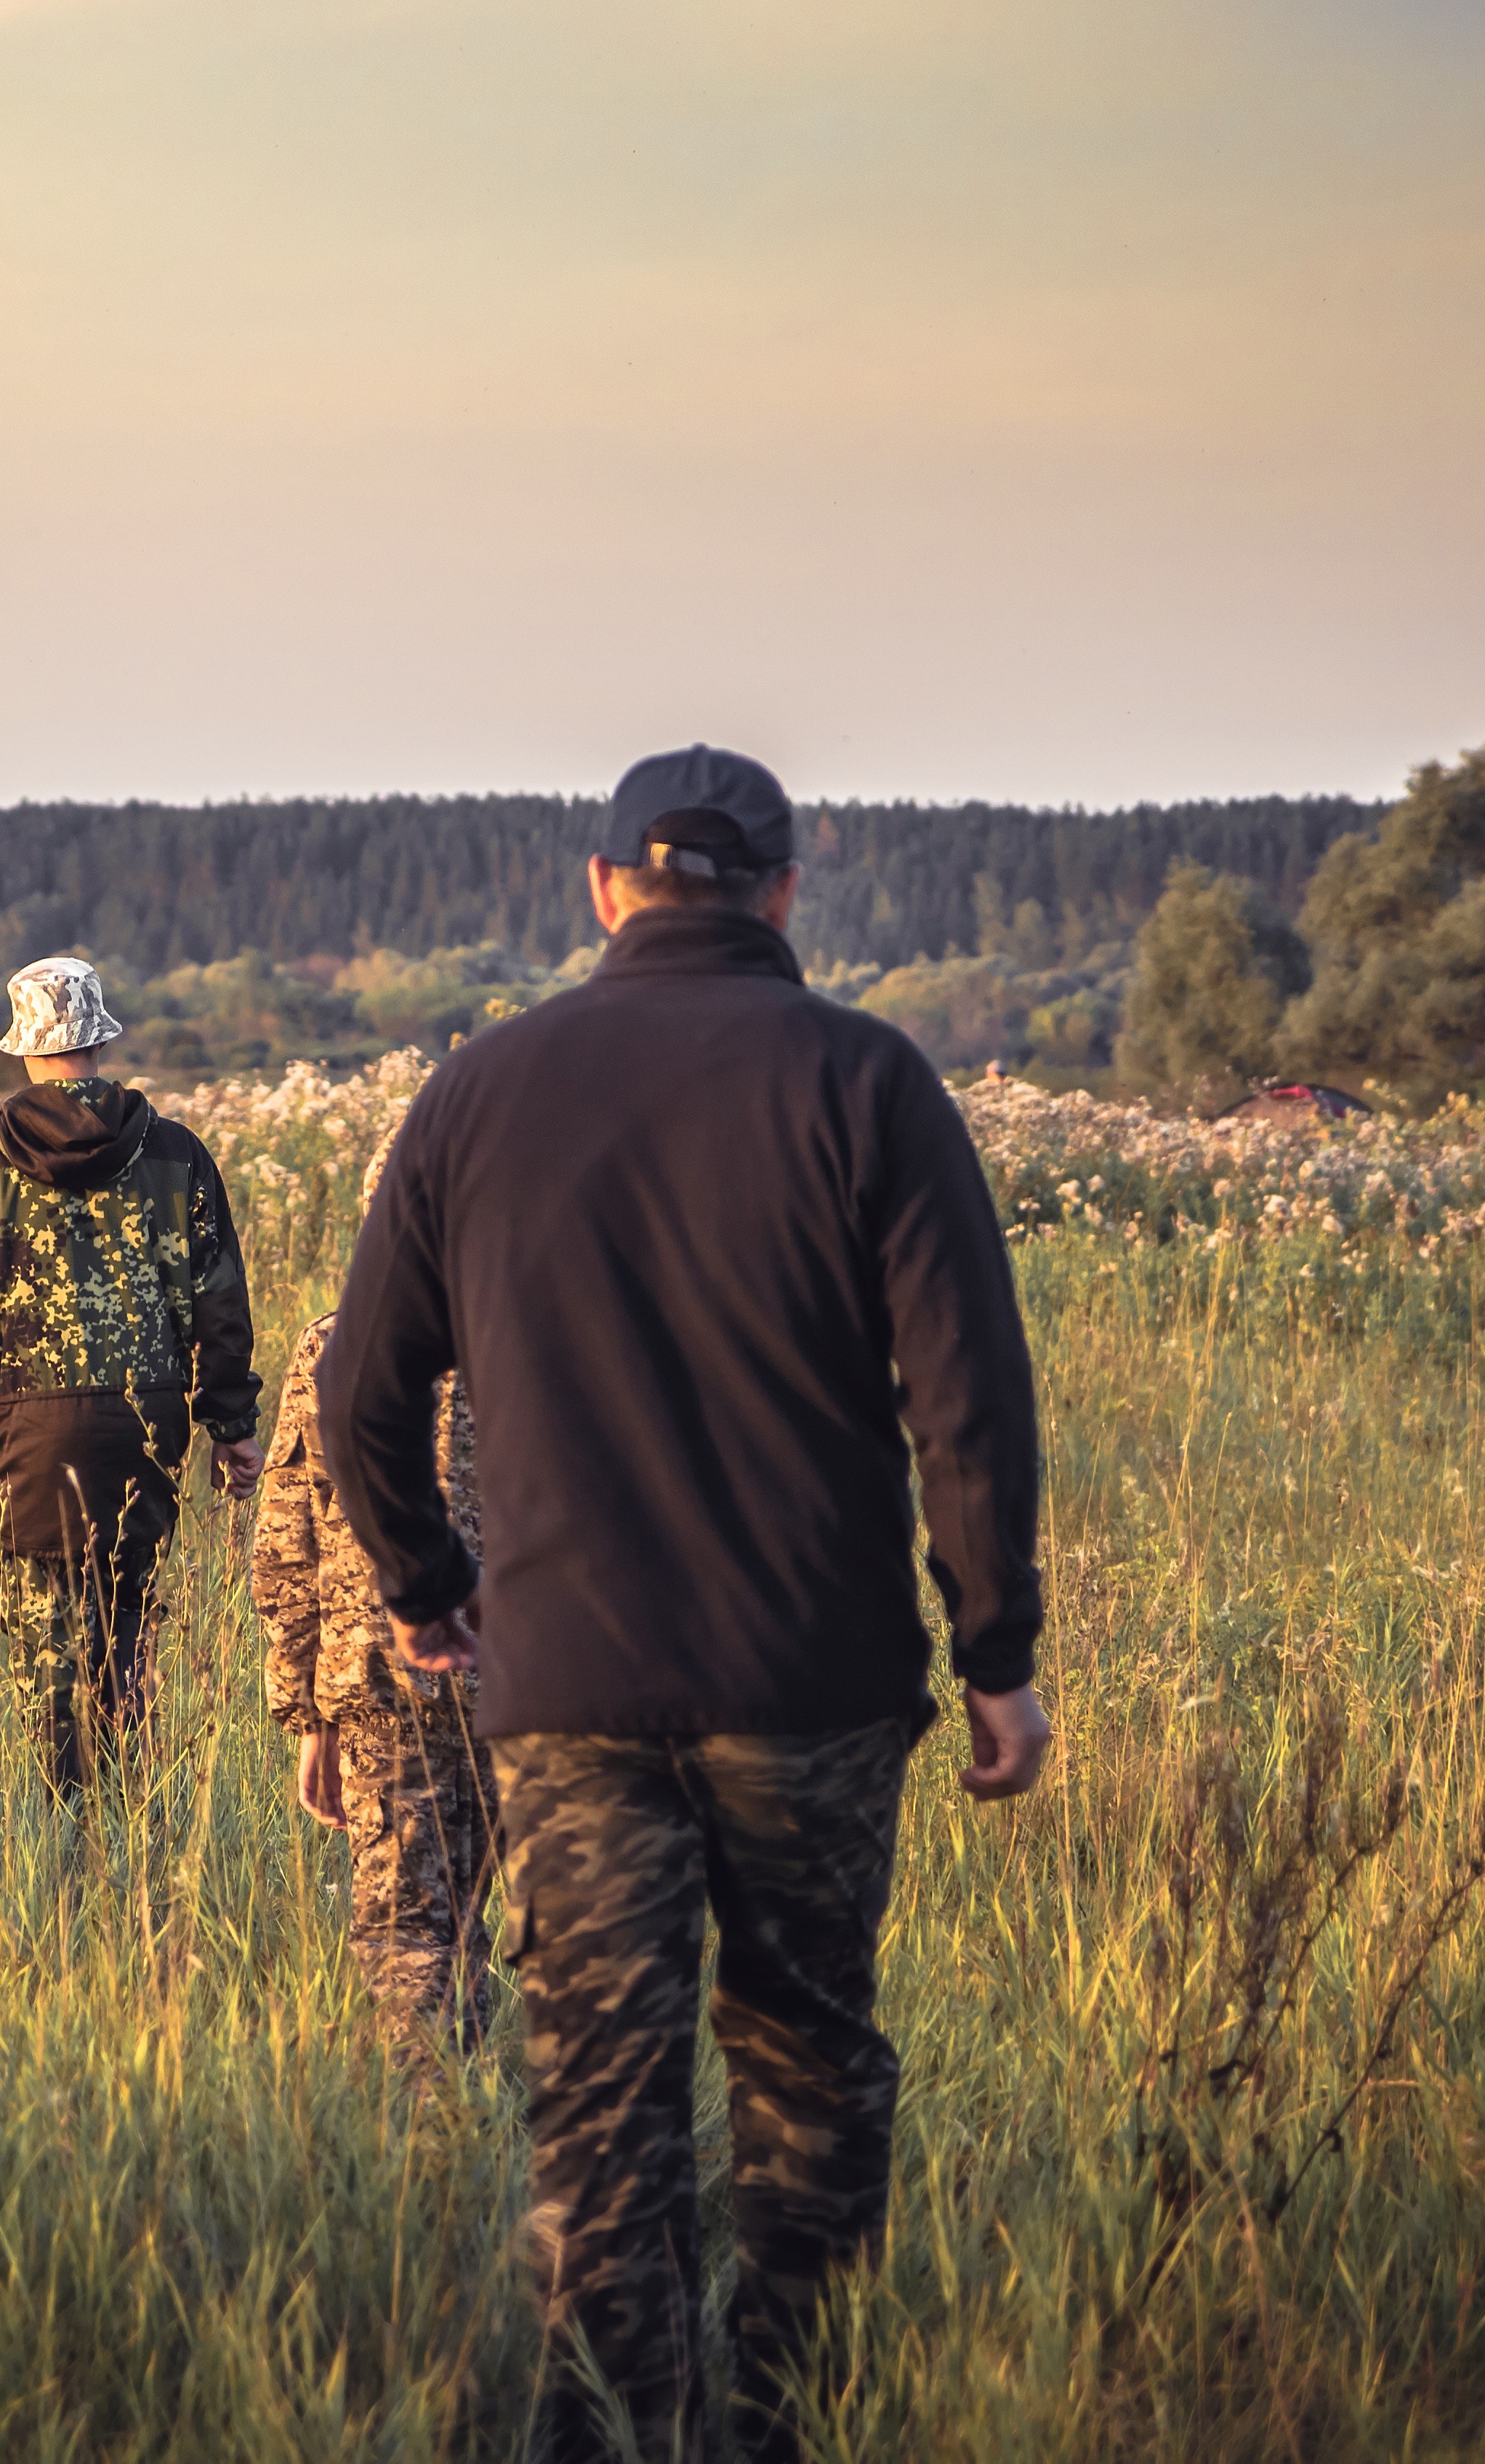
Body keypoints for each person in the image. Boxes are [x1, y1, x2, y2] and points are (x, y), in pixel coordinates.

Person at [320, 745, 1050, 2464]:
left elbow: (362, 1394)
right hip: (813, 1675)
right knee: (808, 2059)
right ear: (786, 894)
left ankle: (606, 2432)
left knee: (598, 2096)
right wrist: (998, 1652)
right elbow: (970, 1400)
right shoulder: (869, 1080)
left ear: (602, 889)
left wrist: (430, 1588)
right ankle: (782, 2425)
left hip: (564, 1678)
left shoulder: (481, 1089)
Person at [0, 956, 263, 1794]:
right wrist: (232, 1427)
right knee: (129, 1639)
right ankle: (132, 1824)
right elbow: (218, 1304)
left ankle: (64, 1832)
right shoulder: (175, 1151)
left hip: (22, 1437)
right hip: (141, 1433)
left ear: (24, 1047)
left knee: (48, 1656)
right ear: (100, 1037)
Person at [250, 1163, 496, 2063]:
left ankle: (422, 2137)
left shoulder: (331, 1344)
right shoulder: (547, 1344)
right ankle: (484, 2116)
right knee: (490, 1921)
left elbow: (286, 1546)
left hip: (374, 1676)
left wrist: (305, 1712)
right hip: (521, 1674)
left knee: (402, 1932)